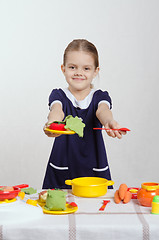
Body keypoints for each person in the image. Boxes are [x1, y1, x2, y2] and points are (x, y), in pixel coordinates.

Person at [42, 39, 126, 189]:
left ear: (96, 71)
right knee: (58, 204)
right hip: (63, 164)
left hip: (94, 165)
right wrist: (52, 124)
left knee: (97, 206)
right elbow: (56, 110)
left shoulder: (100, 97)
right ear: (63, 69)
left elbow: (103, 111)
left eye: (86, 68)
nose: (79, 73)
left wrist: (109, 122)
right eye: (73, 67)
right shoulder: (59, 95)